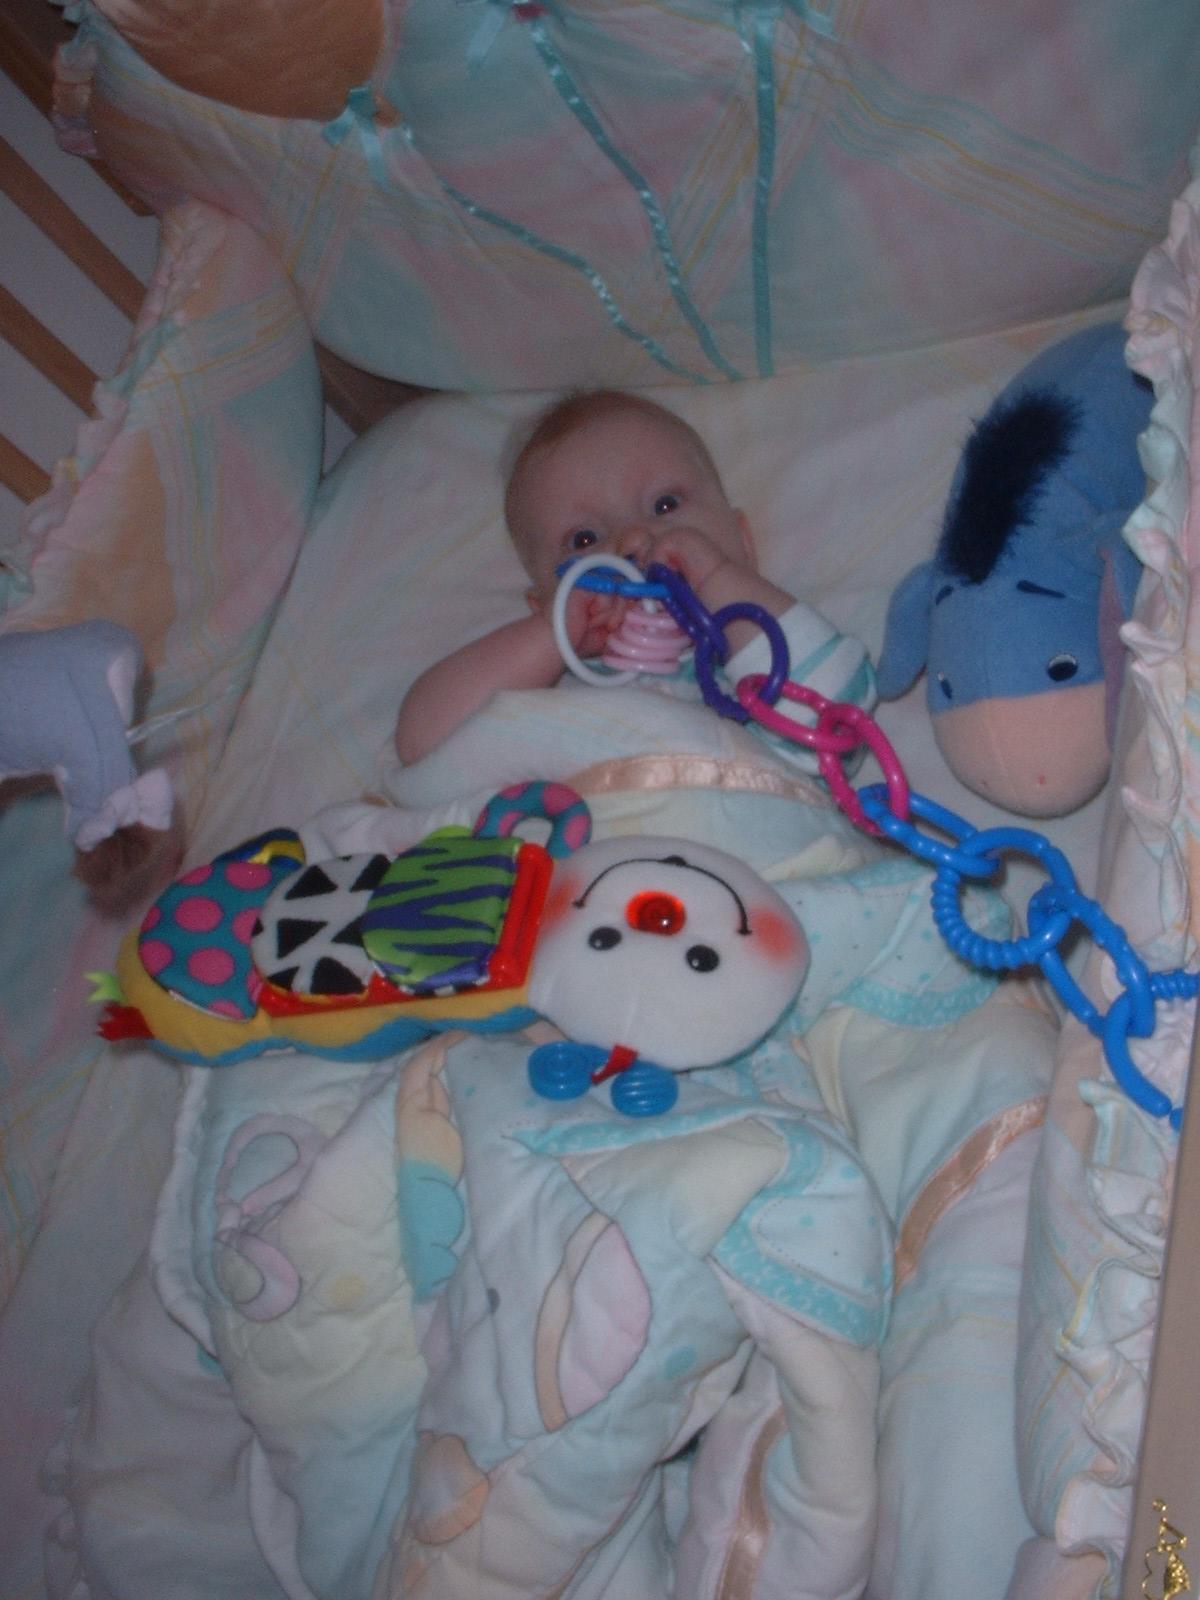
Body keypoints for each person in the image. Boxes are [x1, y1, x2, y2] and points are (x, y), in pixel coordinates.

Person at [394, 389, 875, 767]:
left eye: (665, 505)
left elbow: (838, 722)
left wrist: (719, 580)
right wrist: (550, 638)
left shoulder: (751, 670)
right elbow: (423, 744)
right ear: (544, 603)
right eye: (584, 539)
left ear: (742, 543)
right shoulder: (553, 692)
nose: (633, 540)